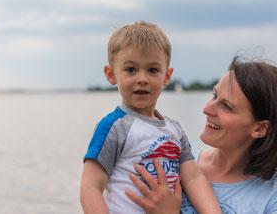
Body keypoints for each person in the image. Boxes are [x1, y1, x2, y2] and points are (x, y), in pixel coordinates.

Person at [127, 56, 277, 214]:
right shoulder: (175, 164)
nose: (207, 109)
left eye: (227, 106)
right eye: (214, 95)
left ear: (260, 129)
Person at [80, 21, 221, 214]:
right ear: (111, 74)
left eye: (153, 70)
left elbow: (194, 178)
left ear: (167, 76)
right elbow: (91, 188)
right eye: (131, 70)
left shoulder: (175, 130)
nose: (142, 79)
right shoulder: (114, 126)